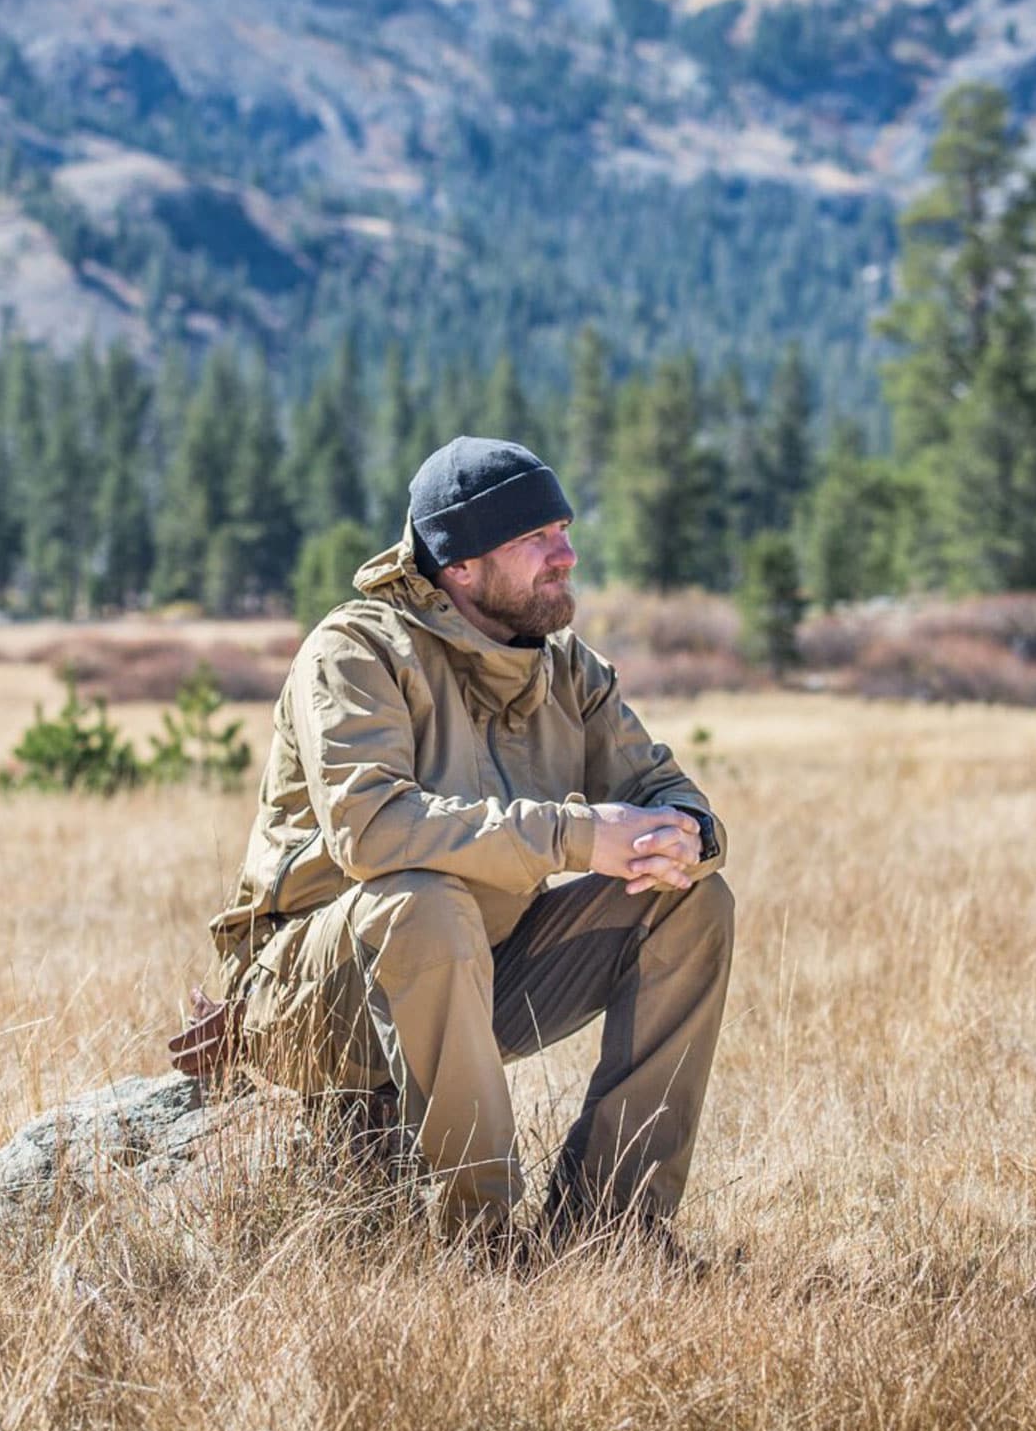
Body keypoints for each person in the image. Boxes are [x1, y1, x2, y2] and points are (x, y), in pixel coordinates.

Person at [189, 435, 734, 1245]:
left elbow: (667, 791)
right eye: (535, 538)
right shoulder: (356, 651)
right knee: (423, 901)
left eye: (563, 529)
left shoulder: (566, 671)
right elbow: (371, 830)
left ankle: (611, 1227)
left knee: (691, 901)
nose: (565, 554)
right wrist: (577, 835)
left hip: (480, 967)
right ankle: (477, 1237)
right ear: (461, 565)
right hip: (315, 994)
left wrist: (684, 836)